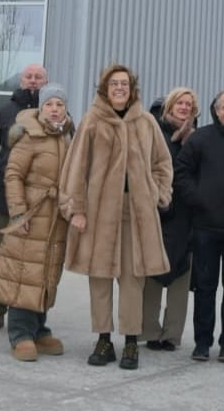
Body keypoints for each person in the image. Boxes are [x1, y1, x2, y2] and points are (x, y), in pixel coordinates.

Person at [61, 63, 173, 371]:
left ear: (132, 88)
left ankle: (132, 342)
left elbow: (163, 163)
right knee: (99, 277)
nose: (120, 88)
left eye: (124, 83)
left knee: (132, 279)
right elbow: (75, 169)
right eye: (114, 84)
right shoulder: (92, 121)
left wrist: (158, 194)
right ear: (105, 89)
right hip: (98, 212)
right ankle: (104, 339)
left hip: (136, 213)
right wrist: (77, 209)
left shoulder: (147, 122)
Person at [0, 83, 75, 361]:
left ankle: (38, 328)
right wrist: (18, 212)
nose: (55, 109)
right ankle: (20, 333)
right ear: (41, 107)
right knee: (24, 273)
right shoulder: (29, 137)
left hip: (56, 220)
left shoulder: (68, 137)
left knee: (46, 273)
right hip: (32, 216)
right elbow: (13, 175)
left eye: (59, 104)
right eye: (49, 104)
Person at [174, 89, 224, 363]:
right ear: (216, 110)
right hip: (205, 227)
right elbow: (180, 171)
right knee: (205, 287)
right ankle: (202, 342)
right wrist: (198, 199)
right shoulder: (201, 138)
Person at [0, 63, 49, 332]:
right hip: (7, 197)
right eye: (29, 77)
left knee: (37, 259)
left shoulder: (54, 113)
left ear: (46, 81)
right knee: (4, 254)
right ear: (21, 81)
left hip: (42, 201)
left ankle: (34, 313)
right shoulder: (5, 112)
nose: (33, 81)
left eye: (38, 77)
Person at [142, 87, 198, 351]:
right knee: (152, 271)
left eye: (189, 104)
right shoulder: (153, 133)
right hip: (157, 212)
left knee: (180, 273)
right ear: (169, 106)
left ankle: (171, 334)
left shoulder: (195, 139)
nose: (184, 107)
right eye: (180, 103)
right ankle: (150, 331)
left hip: (185, 215)